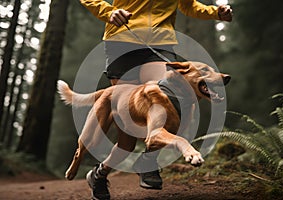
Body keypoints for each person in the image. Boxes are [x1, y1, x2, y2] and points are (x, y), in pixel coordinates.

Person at [79, 0, 233, 199]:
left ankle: (149, 160)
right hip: (122, 41)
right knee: (128, 136)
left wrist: (215, 12)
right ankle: (99, 175)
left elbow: (188, 5)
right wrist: (108, 11)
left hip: (159, 43)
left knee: (167, 98)